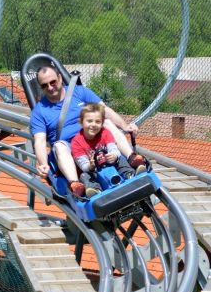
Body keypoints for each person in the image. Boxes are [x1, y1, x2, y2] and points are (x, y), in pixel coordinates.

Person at [30, 65, 147, 198]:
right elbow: (39, 140)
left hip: (94, 137)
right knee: (59, 146)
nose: (50, 88)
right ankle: (75, 184)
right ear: (41, 87)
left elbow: (105, 110)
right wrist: (43, 164)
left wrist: (125, 126)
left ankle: (132, 158)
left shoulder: (79, 92)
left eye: (53, 82)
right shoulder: (39, 111)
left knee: (106, 122)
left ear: (60, 78)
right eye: (45, 85)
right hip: (70, 148)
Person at [71, 104, 146, 197]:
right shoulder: (76, 142)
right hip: (93, 170)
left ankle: (129, 174)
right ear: (81, 122)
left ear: (102, 123)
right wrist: (90, 166)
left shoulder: (105, 133)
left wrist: (114, 155)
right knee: (84, 176)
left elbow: (113, 148)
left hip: (110, 162)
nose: (93, 125)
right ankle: (95, 189)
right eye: (89, 121)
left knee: (121, 159)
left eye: (97, 122)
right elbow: (83, 165)